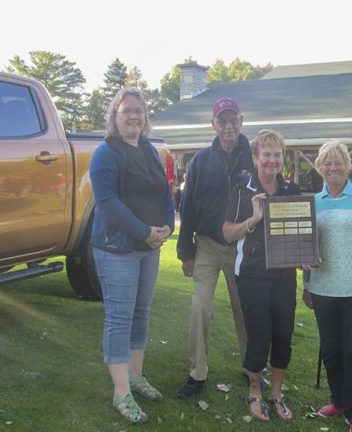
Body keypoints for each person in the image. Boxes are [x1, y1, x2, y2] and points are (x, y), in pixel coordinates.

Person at [89, 89, 174, 424]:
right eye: (127, 111)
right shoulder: (105, 154)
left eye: (139, 111)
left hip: (148, 247)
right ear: (115, 116)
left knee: (141, 312)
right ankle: (121, 391)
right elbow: (108, 203)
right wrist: (143, 232)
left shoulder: (150, 151)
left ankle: (136, 375)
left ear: (145, 117)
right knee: (119, 318)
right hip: (118, 248)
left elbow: (165, 192)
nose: (134, 116)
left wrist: (166, 225)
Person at [301, 140, 352, 432]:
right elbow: (308, 247)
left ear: (347, 166)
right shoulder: (314, 202)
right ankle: (337, 400)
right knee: (331, 351)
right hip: (323, 290)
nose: (333, 168)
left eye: (338, 162)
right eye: (327, 162)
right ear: (320, 167)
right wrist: (306, 283)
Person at [176, 97, 253, 399]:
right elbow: (188, 206)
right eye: (222, 120)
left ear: (241, 121)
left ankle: (252, 368)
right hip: (206, 245)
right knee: (200, 307)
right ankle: (197, 374)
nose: (228, 125)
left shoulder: (254, 156)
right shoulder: (200, 160)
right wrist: (185, 252)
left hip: (243, 249)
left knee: (244, 310)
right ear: (214, 124)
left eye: (233, 119)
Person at [222, 130, 301, 422]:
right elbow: (227, 233)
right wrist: (253, 220)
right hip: (252, 274)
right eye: (266, 154)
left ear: (283, 158)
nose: (272, 160)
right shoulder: (242, 189)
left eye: (277, 154)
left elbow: (301, 231)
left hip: (284, 273)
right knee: (259, 335)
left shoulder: (291, 190)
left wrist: (306, 255)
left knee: (283, 334)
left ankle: (277, 393)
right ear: (256, 157)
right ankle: (255, 389)